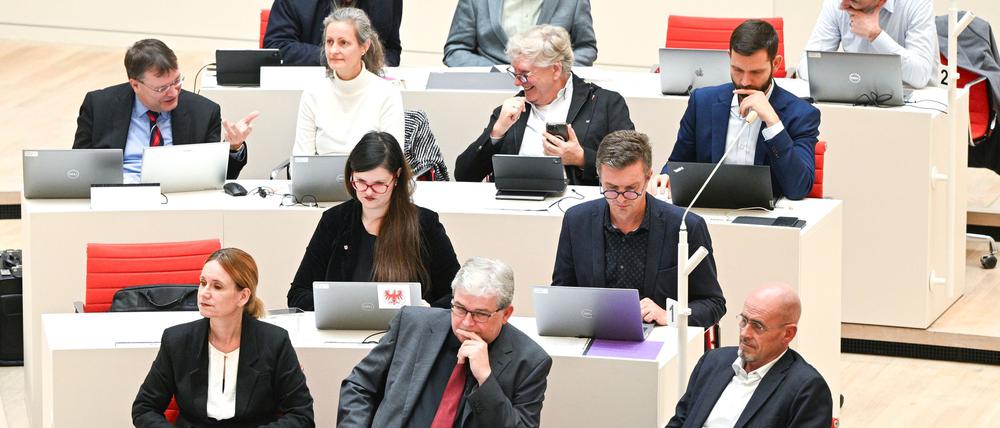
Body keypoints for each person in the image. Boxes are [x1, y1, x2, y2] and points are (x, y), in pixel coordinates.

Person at [338, 257, 552, 427]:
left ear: (506, 314)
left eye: (480, 314)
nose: (466, 323)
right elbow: (359, 385)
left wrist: (486, 380)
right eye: (459, 308)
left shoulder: (530, 362)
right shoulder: (413, 324)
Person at [552, 130, 726, 327]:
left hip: (662, 340)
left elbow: (714, 304)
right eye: (611, 188)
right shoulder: (576, 221)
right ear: (599, 176)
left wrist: (669, 315)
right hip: (596, 335)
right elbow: (561, 295)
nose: (620, 199)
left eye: (631, 189)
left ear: (648, 177)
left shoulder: (686, 226)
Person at [132, 248, 315, 427]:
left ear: (243, 296)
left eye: (217, 286)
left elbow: (302, 415)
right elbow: (144, 408)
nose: (204, 293)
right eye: (203, 283)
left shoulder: (275, 342)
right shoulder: (177, 340)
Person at [649, 20, 820, 201]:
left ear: (776, 64)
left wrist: (773, 123)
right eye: (737, 69)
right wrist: (667, 176)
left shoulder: (801, 114)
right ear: (729, 57)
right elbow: (678, 163)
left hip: (766, 216)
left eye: (756, 72)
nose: (745, 81)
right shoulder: (702, 103)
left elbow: (798, 188)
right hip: (707, 210)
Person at [288, 131, 460, 310]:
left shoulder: (425, 224)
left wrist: (424, 309)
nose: (368, 192)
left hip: (405, 332)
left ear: (397, 177)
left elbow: (456, 295)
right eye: (360, 181)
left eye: (379, 184)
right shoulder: (334, 221)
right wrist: (339, 304)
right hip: (341, 332)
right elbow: (298, 294)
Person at [455, 25, 633, 185]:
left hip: (577, 211)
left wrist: (581, 158)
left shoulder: (606, 104)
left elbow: (631, 167)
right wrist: (496, 133)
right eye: (514, 74)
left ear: (555, 69)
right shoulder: (510, 112)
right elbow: (464, 175)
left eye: (524, 74)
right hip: (512, 210)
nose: (518, 83)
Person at [73, 39, 258, 181]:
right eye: (161, 88)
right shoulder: (99, 105)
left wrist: (234, 147)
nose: (172, 92)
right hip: (116, 196)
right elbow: (78, 168)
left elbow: (219, 178)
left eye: (177, 81)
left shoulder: (204, 111)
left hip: (177, 199)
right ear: (135, 85)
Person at [666, 283, 833, 427]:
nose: (745, 334)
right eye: (744, 321)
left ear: (788, 334)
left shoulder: (806, 390)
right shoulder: (712, 361)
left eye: (757, 326)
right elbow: (680, 421)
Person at [293, 7, 404, 157]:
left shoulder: (387, 93)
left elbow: (393, 160)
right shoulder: (313, 94)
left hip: (369, 180)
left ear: (364, 46)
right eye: (329, 42)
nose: (333, 50)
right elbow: (300, 160)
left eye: (343, 43)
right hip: (321, 181)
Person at [798, 0, 938, 88]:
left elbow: (920, 76)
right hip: (857, 97)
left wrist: (876, 35)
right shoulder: (835, 4)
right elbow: (806, 65)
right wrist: (842, 77)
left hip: (914, 100)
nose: (843, 3)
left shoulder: (917, 3)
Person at [443, 0, 597, 67]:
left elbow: (586, 48)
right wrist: (496, 74)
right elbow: (456, 50)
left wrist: (555, 73)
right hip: (486, 92)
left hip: (551, 99)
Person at [264, 0, 403, 66]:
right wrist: (334, 57)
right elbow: (277, 47)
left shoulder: (388, 3)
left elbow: (391, 50)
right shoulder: (295, 3)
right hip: (307, 84)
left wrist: (369, 66)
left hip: (366, 88)